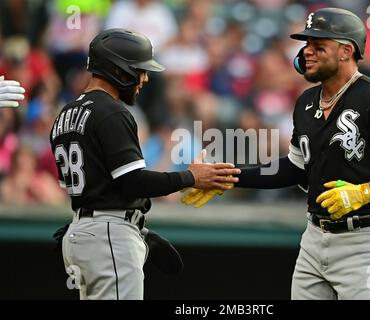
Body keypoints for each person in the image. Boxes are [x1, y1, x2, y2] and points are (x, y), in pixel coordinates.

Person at [182, 8, 370, 300]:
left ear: (345, 51)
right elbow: (295, 167)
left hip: (366, 241)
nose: (307, 53)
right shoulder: (306, 102)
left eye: (318, 46)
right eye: (307, 46)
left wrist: (364, 192)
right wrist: (229, 177)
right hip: (314, 238)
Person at [49, 28, 240, 300]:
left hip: (81, 234)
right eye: (139, 70)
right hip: (108, 236)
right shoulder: (112, 111)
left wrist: (135, 228)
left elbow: (75, 186)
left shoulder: (65, 114)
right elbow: (133, 181)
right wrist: (190, 177)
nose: (145, 78)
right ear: (118, 70)